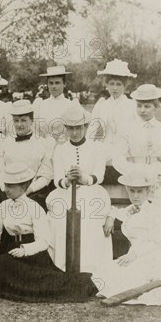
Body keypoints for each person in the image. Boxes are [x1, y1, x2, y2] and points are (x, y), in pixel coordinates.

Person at [0, 163, 98, 302]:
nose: (6, 190)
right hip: (11, 248)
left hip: (32, 253)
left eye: (10, 186)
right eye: (5, 185)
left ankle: (82, 284)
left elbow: (44, 241)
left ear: (23, 187)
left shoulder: (35, 208)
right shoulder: (3, 206)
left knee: (41, 282)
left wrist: (25, 250)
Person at [46, 104, 113, 274]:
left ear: (85, 126)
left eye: (78, 128)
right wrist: (67, 180)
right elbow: (57, 179)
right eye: (70, 129)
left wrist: (84, 178)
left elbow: (100, 175)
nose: (75, 133)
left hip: (91, 192)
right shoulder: (60, 149)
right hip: (65, 194)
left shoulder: (96, 148)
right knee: (59, 220)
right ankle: (63, 266)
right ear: (66, 129)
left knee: (89, 220)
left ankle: (89, 268)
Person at [93, 167, 161, 305]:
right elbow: (117, 211)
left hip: (152, 255)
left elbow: (159, 240)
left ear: (148, 191)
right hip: (134, 255)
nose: (135, 196)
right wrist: (111, 217)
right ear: (127, 190)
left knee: (126, 277)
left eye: (140, 191)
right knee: (104, 271)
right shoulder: (132, 209)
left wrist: (135, 254)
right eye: (132, 191)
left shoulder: (154, 211)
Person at [0, 99, 54, 209]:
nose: (19, 125)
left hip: (33, 193)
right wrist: (7, 189)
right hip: (7, 192)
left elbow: (46, 175)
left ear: (31, 120)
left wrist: (28, 190)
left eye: (23, 120)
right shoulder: (3, 142)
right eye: (16, 120)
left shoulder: (43, 143)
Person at [89, 60, 137, 170]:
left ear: (125, 85)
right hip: (105, 148)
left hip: (125, 149)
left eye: (119, 84)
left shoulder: (132, 105)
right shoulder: (102, 105)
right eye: (111, 84)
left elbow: (137, 131)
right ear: (106, 84)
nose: (115, 88)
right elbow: (92, 132)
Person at [34, 66, 72, 143]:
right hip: (44, 148)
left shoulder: (71, 105)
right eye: (51, 83)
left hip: (64, 148)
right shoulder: (41, 105)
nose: (54, 86)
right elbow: (35, 131)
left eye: (57, 83)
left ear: (64, 84)